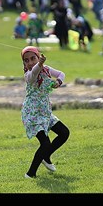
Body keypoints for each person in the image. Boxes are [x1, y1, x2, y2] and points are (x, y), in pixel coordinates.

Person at [20, 46, 70, 179]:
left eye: (33, 58)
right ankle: (30, 174)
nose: (30, 62)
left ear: (38, 56)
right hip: (33, 114)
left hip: (45, 111)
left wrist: (58, 82)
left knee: (64, 133)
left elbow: (61, 74)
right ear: (24, 63)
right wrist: (39, 64)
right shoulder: (28, 74)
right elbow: (33, 76)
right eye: (26, 60)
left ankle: (46, 157)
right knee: (45, 143)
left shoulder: (46, 69)